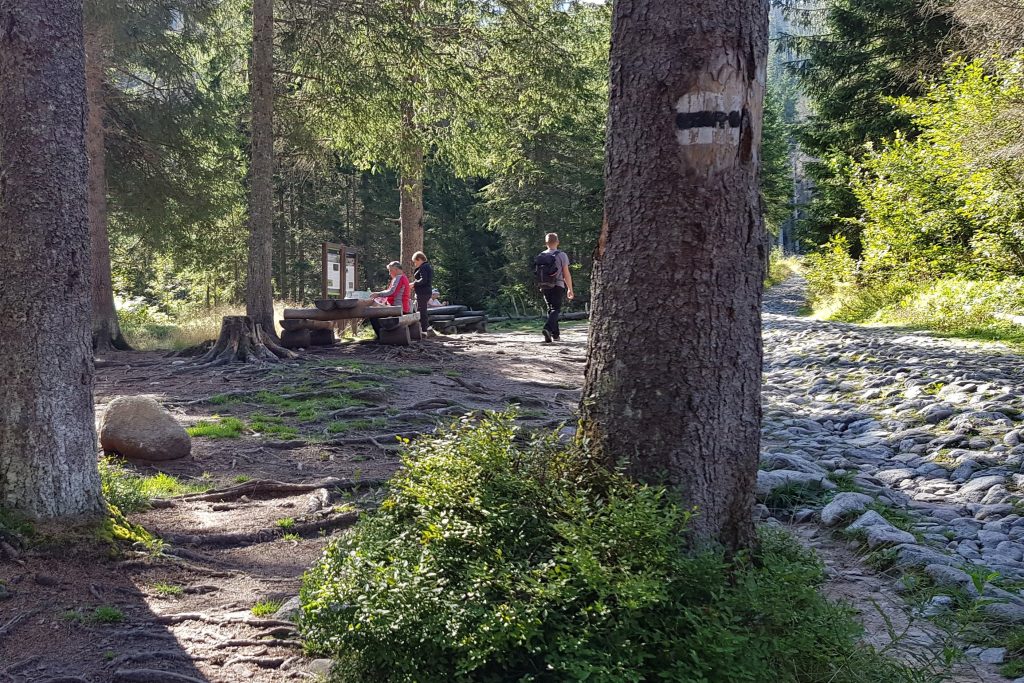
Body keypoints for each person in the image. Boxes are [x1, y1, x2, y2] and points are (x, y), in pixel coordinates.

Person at [534, 232, 574, 343]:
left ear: (545, 243)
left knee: (551, 309)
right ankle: (547, 328)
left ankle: (555, 335)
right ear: (557, 242)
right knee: (555, 309)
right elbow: (566, 273)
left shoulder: (541, 256)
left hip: (544, 285)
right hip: (558, 285)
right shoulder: (562, 255)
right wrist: (570, 288)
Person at [368, 261, 411, 340]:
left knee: (373, 315)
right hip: (400, 308)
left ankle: (382, 336)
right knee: (377, 312)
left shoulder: (399, 278)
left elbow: (392, 292)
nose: (389, 273)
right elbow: (389, 290)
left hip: (398, 309)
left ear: (396, 269)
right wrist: (379, 294)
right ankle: (383, 335)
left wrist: (378, 294)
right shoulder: (403, 277)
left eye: (390, 270)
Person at [411, 251, 434, 334]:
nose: (415, 264)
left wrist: (414, 284)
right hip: (425, 292)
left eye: (415, 261)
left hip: (423, 293)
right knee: (420, 309)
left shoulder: (424, 267)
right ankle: (427, 327)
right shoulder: (426, 266)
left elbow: (424, 280)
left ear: (419, 259)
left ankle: (424, 330)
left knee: (421, 311)